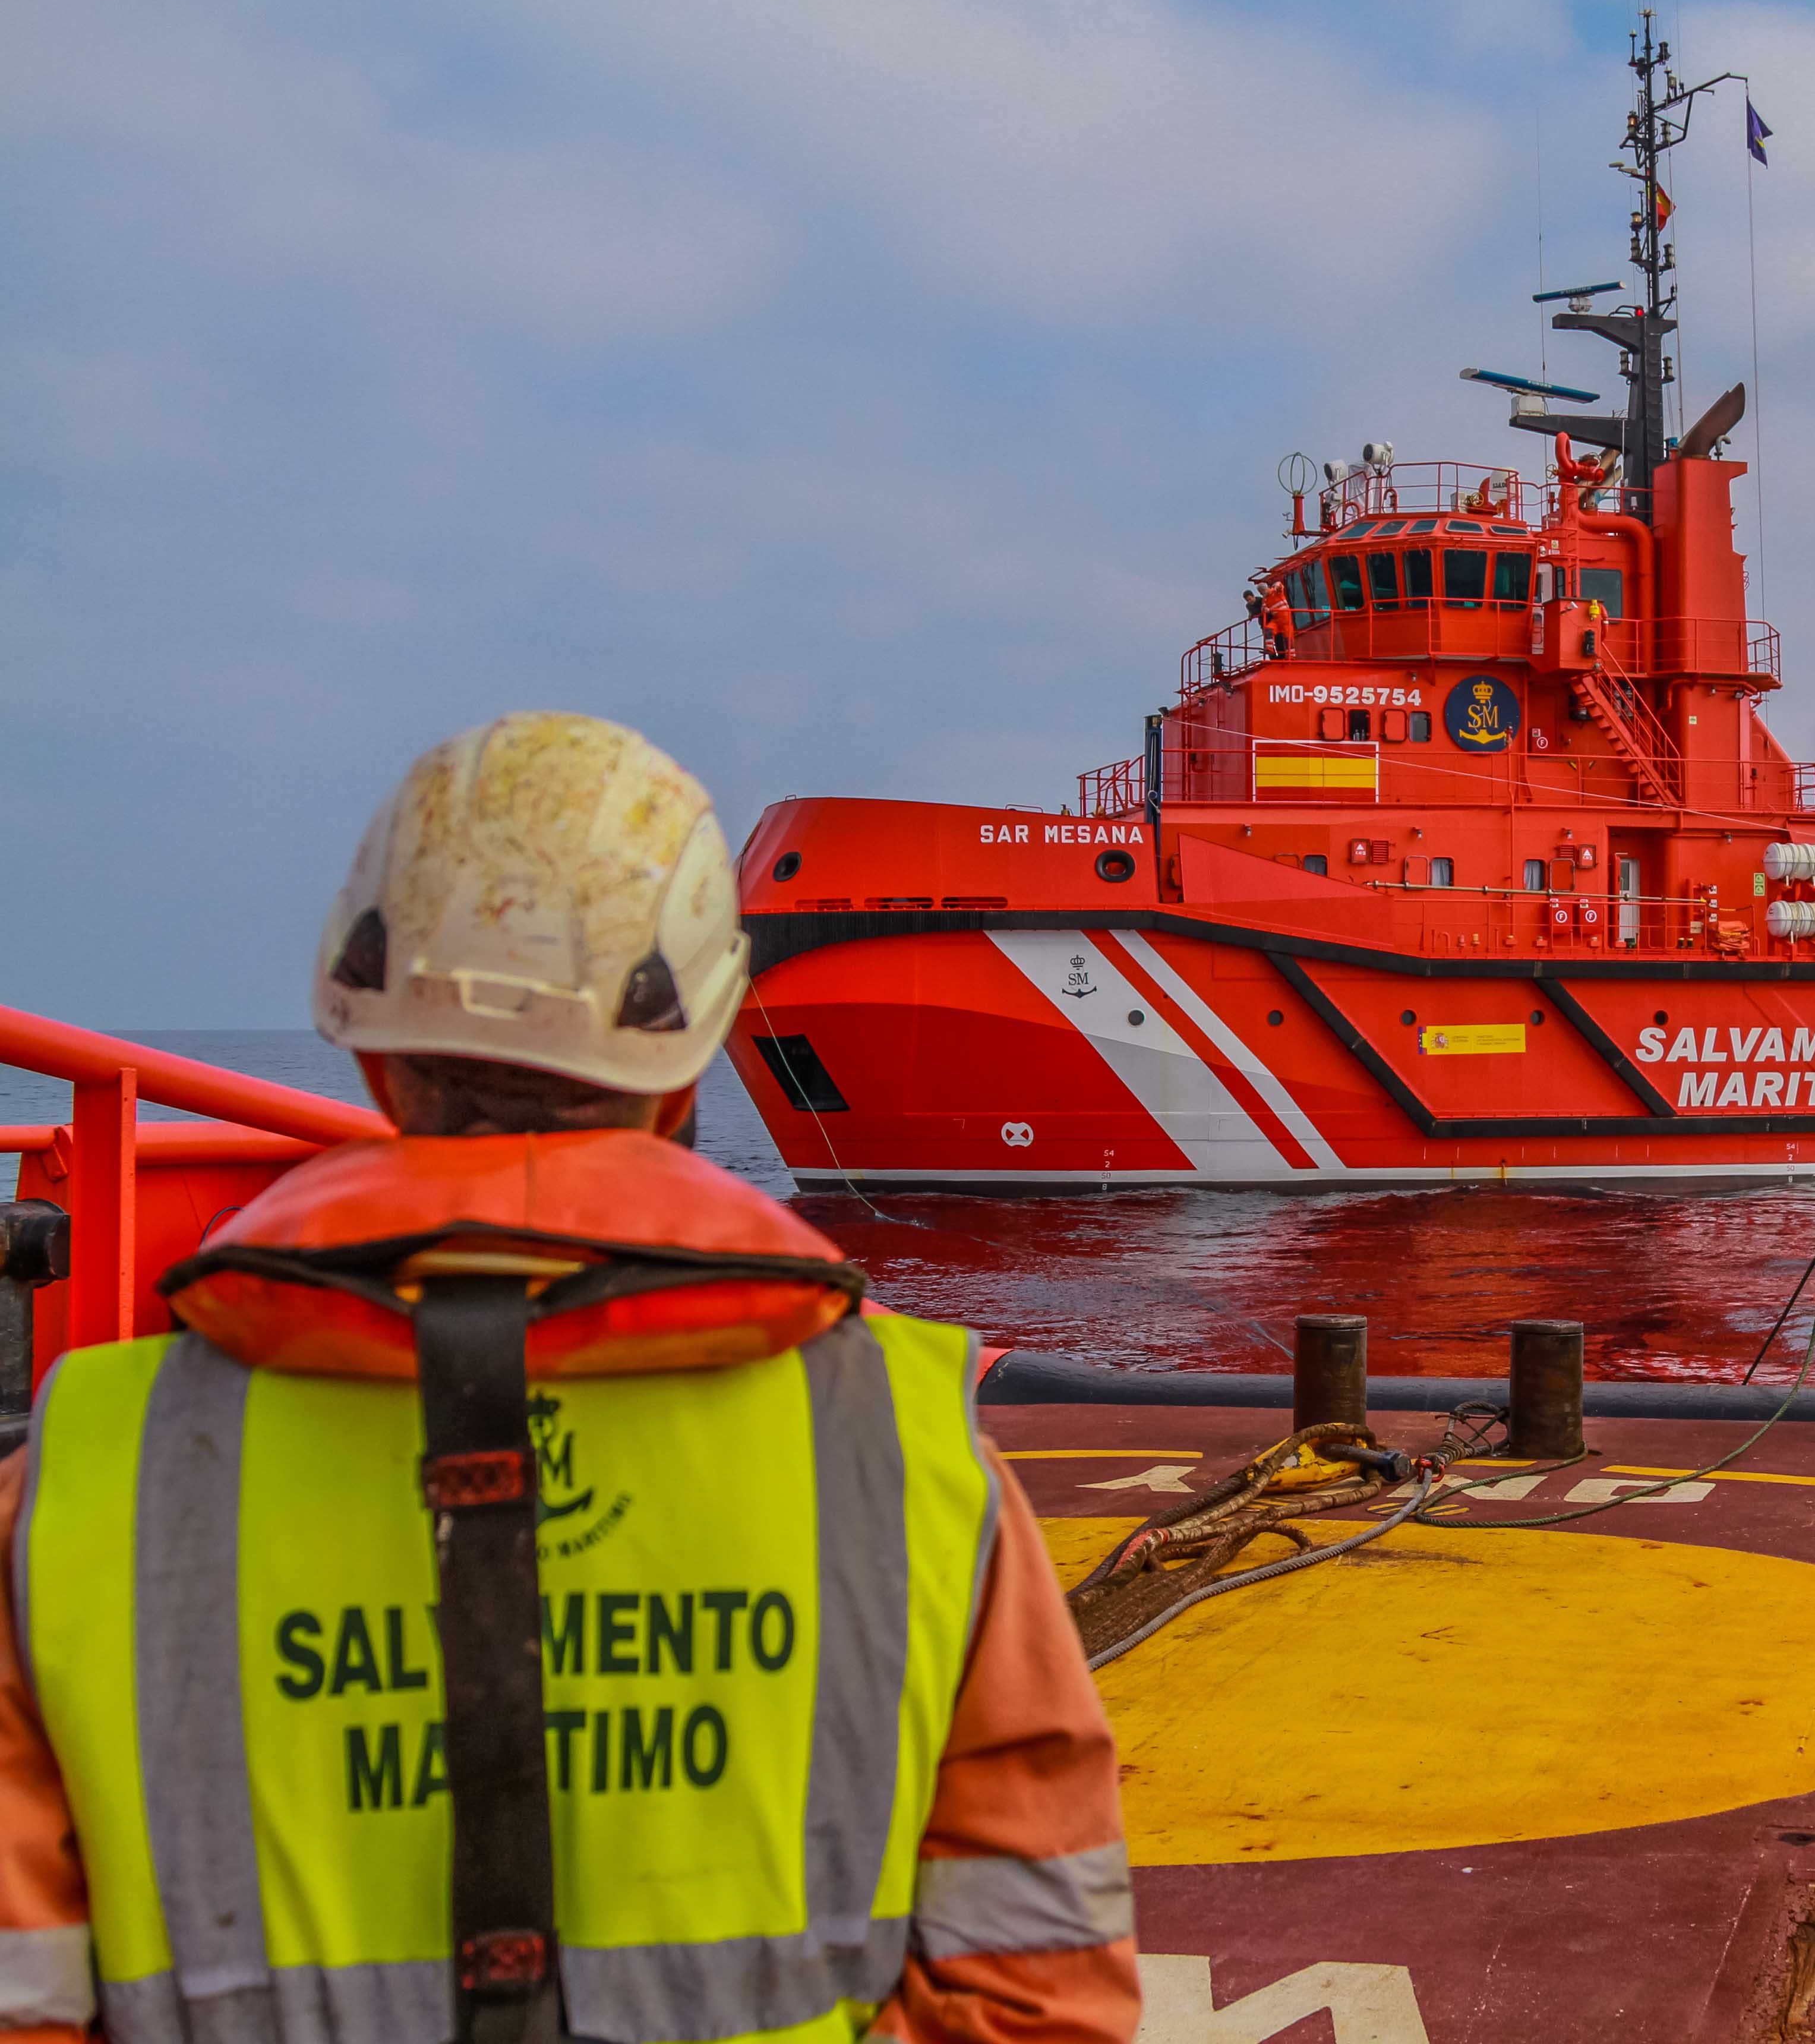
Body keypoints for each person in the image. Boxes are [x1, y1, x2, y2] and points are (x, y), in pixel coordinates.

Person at [0, 715, 1139, 2044]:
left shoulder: (84, 1481)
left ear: (363, 1041)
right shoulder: (907, 1453)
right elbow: (1042, 1992)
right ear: (691, 1061)